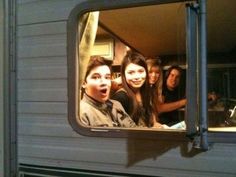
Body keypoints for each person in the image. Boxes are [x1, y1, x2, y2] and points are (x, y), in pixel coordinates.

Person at [80, 55, 137, 128]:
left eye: (107, 77)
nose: (104, 82)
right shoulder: (81, 114)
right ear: (84, 83)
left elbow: (133, 128)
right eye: (96, 77)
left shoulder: (116, 105)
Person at [112, 51, 163, 128]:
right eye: (131, 72)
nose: (136, 77)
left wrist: (158, 125)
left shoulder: (146, 92)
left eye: (140, 71)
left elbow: (151, 121)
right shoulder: (121, 98)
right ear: (123, 74)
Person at [146, 60, 186, 127]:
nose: (174, 79)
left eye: (177, 77)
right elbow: (159, 108)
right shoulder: (160, 88)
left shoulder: (153, 88)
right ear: (167, 75)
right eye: (172, 75)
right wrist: (184, 102)